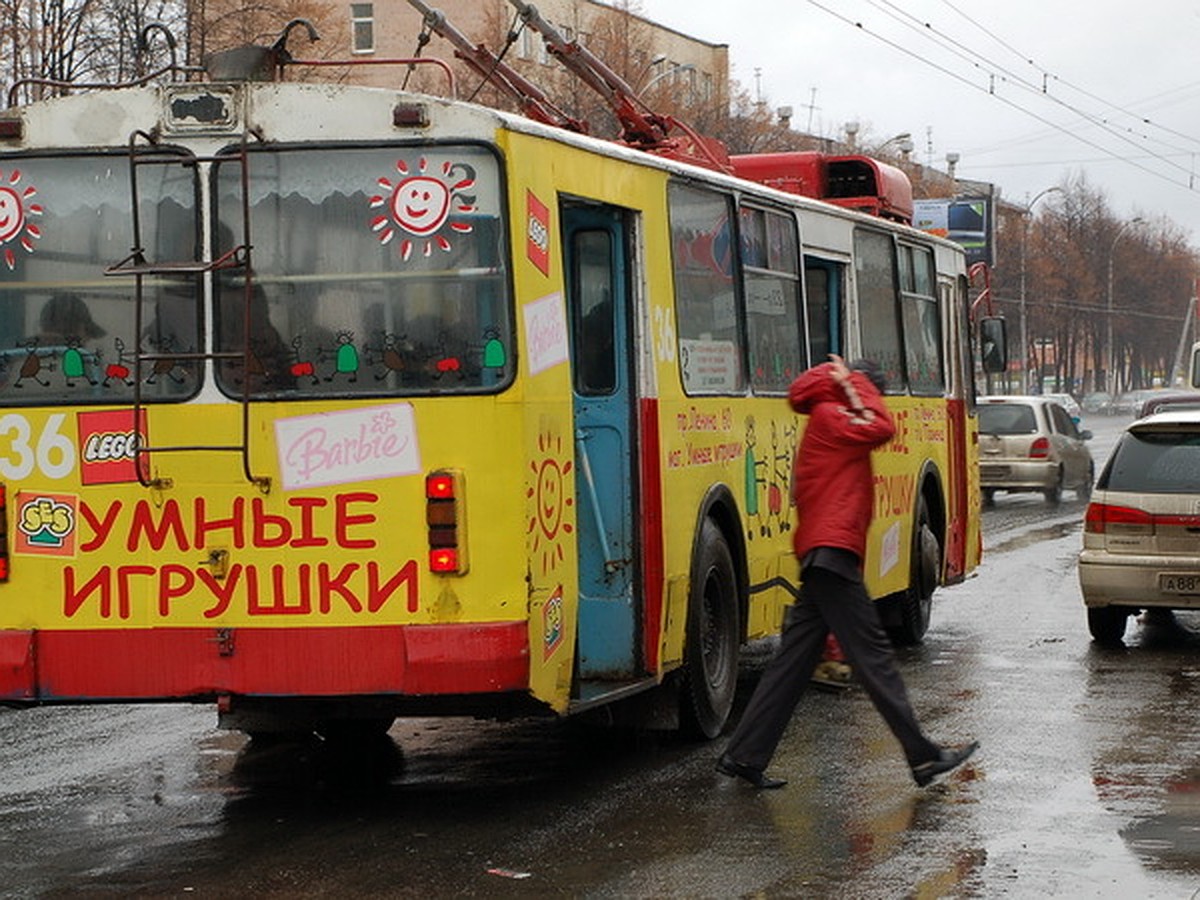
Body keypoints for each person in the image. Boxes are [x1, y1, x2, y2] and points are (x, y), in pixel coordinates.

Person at [717, 355, 978, 789]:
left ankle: (745, 755)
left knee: (792, 663)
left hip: (826, 554)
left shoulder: (829, 415)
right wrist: (855, 385)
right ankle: (922, 756)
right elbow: (881, 427)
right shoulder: (832, 416)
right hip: (832, 554)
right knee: (874, 658)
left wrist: (851, 387)